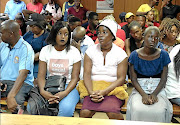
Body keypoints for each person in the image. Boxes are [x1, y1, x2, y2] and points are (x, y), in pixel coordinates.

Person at [78, 19, 128, 119]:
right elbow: (86, 74)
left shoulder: (120, 54)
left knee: (113, 114)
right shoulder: (90, 51)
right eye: (99, 32)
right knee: (85, 113)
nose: (100, 35)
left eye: (104, 32)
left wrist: (104, 92)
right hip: (93, 88)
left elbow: (121, 79)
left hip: (113, 90)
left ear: (113, 35)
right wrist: (92, 93)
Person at [126, 26, 173, 122]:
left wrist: (155, 94)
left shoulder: (163, 55)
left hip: (158, 87)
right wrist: (143, 95)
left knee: (160, 110)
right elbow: (133, 79)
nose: (153, 40)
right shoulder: (134, 55)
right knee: (137, 108)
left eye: (156, 38)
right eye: (150, 37)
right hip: (140, 88)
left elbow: (164, 79)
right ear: (144, 37)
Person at [37, 21, 81, 116]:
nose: (63, 37)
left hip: (69, 86)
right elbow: (41, 76)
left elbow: (75, 78)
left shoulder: (74, 52)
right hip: (50, 85)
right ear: (54, 34)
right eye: (60, 33)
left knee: (65, 110)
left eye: (66, 34)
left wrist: (64, 93)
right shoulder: (45, 50)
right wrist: (43, 91)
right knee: (37, 107)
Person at [0, 20, 34, 113]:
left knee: (16, 101)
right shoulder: (2, 45)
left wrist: (11, 95)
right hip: (4, 82)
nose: (0, 35)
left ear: (11, 34)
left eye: (2, 33)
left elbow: (23, 74)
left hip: (22, 83)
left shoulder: (26, 48)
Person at [23, 13, 49, 82]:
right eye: (30, 26)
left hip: (39, 64)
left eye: (33, 26)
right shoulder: (28, 34)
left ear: (40, 25)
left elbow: (41, 54)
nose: (31, 28)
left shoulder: (47, 37)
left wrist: (29, 58)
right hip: (26, 61)